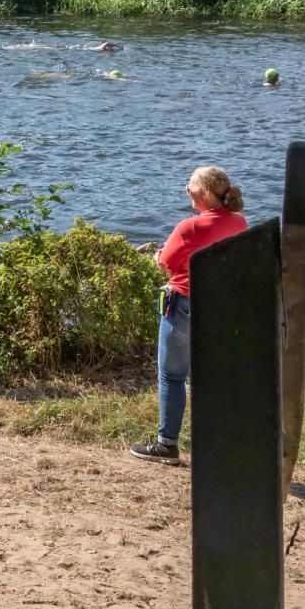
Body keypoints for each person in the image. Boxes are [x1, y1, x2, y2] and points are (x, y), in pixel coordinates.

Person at [131, 167, 247, 466]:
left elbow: (167, 263)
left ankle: (166, 445)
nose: (186, 190)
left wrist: (158, 256)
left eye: (190, 187)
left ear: (206, 194)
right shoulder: (239, 222)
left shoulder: (188, 228)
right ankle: (222, 445)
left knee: (172, 375)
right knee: (213, 377)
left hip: (184, 305)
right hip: (221, 308)